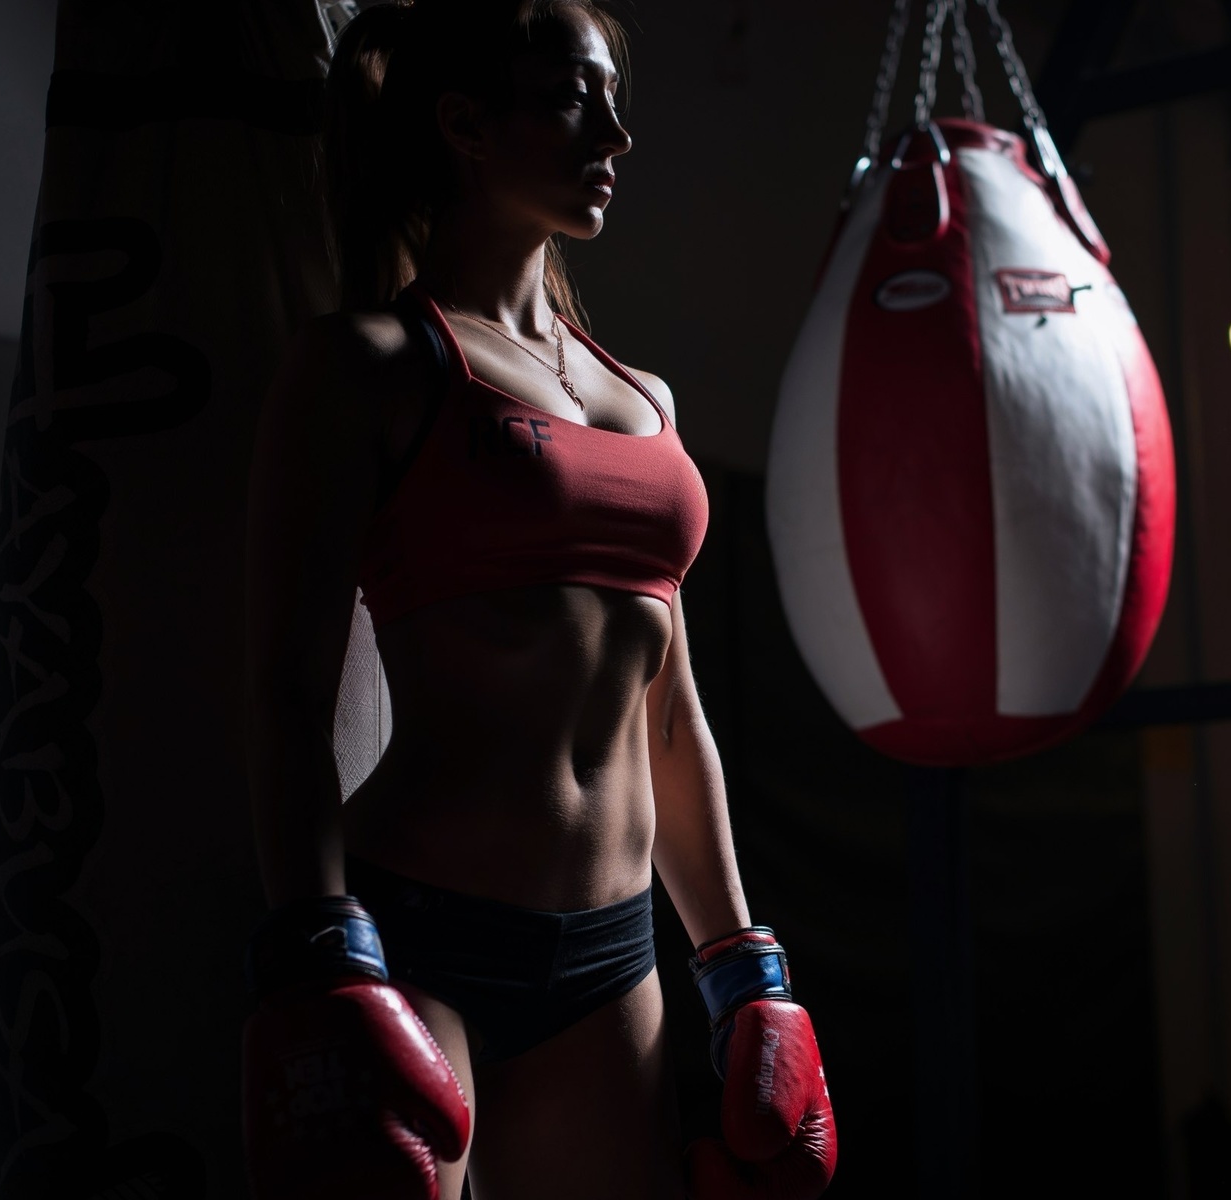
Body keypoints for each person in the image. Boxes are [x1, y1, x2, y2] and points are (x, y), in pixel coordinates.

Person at [239, 3, 836, 1198]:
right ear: (465, 124)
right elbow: (288, 692)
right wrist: (322, 950)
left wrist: (739, 963)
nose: (615, 133)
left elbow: (670, 715)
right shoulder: (369, 364)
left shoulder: (645, 401)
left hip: (612, 960)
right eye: (577, 97)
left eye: (616, 100)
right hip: (422, 935)